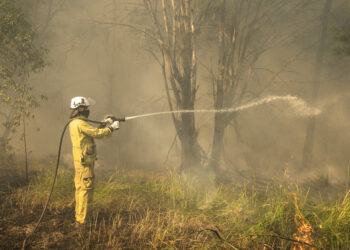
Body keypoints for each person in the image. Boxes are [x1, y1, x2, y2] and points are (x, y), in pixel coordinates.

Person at [69, 96, 119, 226]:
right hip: (85, 163)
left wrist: (103, 123)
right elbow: (97, 134)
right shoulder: (80, 123)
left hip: (79, 163)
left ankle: (79, 218)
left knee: (80, 189)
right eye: (85, 107)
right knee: (86, 190)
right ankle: (83, 222)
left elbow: (90, 131)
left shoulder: (74, 123)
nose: (87, 109)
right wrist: (111, 128)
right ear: (80, 108)